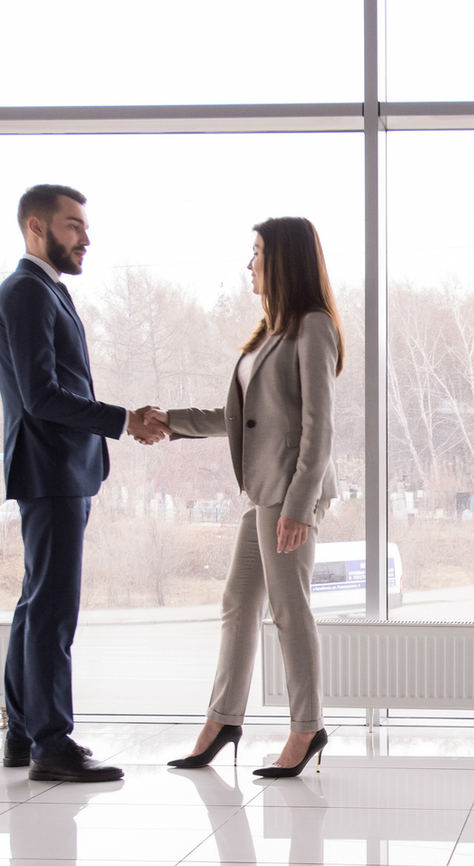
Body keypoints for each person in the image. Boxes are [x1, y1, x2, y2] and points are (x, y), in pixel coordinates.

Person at [140, 217, 340, 779]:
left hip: (288, 494)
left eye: (256, 253)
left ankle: (307, 727)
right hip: (263, 493)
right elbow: (239, 420)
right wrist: (169, 422)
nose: (249, 264)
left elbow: (319, 427)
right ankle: (224, 719)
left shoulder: (314, 326)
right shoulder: (269, 333)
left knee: (289, 609)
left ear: (282, 260)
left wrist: (300, 506)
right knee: (238, 602)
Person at [0, 184, 168, 783]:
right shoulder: (26, 294)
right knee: (52, 610)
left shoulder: (44, 292)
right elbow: (42, 396)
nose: (85, 238)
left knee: (36, 604)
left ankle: (23, 733)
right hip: (50, 470)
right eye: (73, 226)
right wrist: (122, 420)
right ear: (36, 228)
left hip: (56, 470)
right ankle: (50, 744)